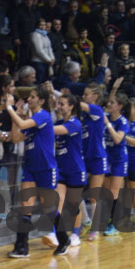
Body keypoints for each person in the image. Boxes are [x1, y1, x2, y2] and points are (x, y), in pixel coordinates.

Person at [3, 84, 62, 258]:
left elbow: (22, 123)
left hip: (45, 168)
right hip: (30, 167)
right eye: (29, 96)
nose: (29, 99)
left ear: (41, 101)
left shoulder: (43, 115)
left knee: (48, 207)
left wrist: (10, 108)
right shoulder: (31, 120)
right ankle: (21, 247)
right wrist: (16, 115)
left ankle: (64, 239)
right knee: (25, 207)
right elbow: (16, 138)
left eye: (33, 97)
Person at [53, 93, 85, 251]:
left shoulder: (74, 123)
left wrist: (39, 123)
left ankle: (75, 233)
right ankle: (56, 234)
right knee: (57, 202)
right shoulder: (58, 122)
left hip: (75, 169)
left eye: (62, 104)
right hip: (61, 169)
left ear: (71, 106)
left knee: (73, 206)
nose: (59, 107)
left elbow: (54, 130)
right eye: (58, 104)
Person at [78, 82, 107, 241]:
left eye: (86, 94)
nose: (83, 96)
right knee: (75, 189)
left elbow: (75, 103)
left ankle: (95, 228)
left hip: (97, 157)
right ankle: (86, 221)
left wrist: (56, 92)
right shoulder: (83, 115)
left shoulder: (97, 110)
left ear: (95, 96)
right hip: (84, 157)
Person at [102, 91, 130, 236]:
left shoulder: (123, 121)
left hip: (119, 160)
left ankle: (114, 223)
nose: (109, 104)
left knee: (114, 191)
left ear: (119, 106)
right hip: (107, 158)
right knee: (107, 192)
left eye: (112, 103)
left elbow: (118, 139)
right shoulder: (105, 117)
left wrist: (108, 124)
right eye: (109, 102)